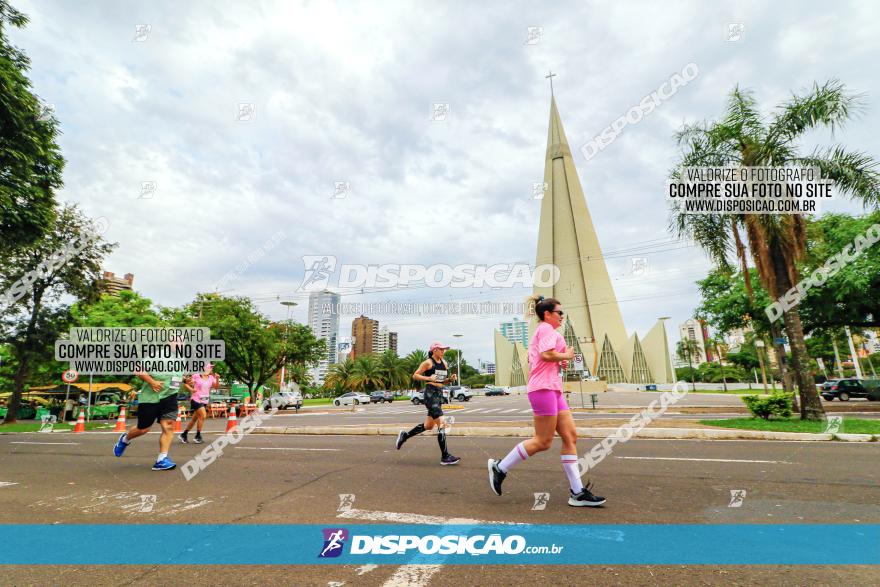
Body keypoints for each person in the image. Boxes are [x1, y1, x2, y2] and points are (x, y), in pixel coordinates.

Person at [488, 296, 605, 507]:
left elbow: (545, 357)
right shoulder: (545, 329)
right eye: (560, 312)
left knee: (571, 436)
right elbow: (545, 354)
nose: (562, 316)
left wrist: (561, 361)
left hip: (554, 388)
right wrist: (566, 356)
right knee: (543, 441)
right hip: (542, 389)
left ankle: (577, 493)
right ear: (547, 314)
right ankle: (500, 467)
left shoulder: (549, 331)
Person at [113, 340, 185, 470]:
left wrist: (184, 379)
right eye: (176, 341)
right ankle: (125, 439)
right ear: (169, 343)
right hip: (150, 398)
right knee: (143, 428)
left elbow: (176, 376)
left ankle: (162, 459)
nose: (180, 344)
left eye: (182, 342)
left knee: (168, 425)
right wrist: (152, 382)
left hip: (170, 397)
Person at [395, 342, 460, 465]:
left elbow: (441, 380)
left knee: (428, 426)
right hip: (430, 394)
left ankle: (404, 436)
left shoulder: (444, 363)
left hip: (439, 393)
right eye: (441, 349)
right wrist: (428, 378)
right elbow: (415, 375)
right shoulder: (428, 362)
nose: (443, 351)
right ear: (434, 350)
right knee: (443, 423)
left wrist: (450, 379)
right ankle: (445, 456)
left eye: (444, 350)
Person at [180, 363, 219, 444]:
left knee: (194, 419)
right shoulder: (196, 376)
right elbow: (186, 384)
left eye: (211, 368)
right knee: (203, 415)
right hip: (196, 399)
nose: (211, 369)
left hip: (204, 400)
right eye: (210, 368)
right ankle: (198, 436)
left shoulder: (211, 377)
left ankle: (184, 434)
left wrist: (217, 379)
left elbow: (216, 387)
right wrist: (191, 389)